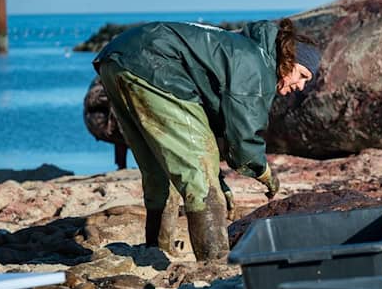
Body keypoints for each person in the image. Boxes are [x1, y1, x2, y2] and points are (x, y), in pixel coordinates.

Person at [93, 19, 320, 261]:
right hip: (156, 66)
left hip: (117, 59)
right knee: (200, 181)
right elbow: (243, 138)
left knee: (158, 166)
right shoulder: (258, 66)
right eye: (303, 74)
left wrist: (221, 180)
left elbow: (212, 133)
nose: (302, 86)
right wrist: (264, 173)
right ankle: (215, 261)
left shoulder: (240, 49)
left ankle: (156, 249)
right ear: (288, 58)